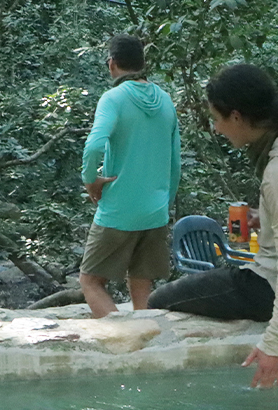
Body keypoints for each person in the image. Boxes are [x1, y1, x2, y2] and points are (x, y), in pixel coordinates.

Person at [148, 64, 278, 388]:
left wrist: (275, 343)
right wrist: (266, 217)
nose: (217, 128)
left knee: (159, 299)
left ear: (237, 116)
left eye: (217, 119)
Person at [79, 34, 181, 317]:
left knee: (90, 281)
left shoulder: (113, 98)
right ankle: (145, 337)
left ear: (112, 63)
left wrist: (90, 179)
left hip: (119, 210)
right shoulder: (166, 100)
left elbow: (94, 145)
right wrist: (165, 204)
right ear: (142, 64)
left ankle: (122, 336)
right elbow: (175, 163)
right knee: (141, 280)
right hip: (156, 210)